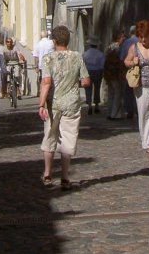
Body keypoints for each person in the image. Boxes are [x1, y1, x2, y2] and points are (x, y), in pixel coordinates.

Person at [38, 25, 90, 191]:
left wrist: (41, 104)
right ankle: (65, 177)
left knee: (50, 136)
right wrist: (76, 83)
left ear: (54, 41)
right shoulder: (76, 57)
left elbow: (46, 82)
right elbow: (86, 81)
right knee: (67, 139)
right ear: (68, 40)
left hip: (54, 103)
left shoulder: (47, 59)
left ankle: (47, 174)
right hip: (72, 103)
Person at [124, 20, 149, 153]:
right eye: (140, 37)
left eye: (145, 36)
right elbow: (126, 61)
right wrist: (132, 62)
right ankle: (146, 141)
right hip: (141, 85)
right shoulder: (134, 47)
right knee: (144, 113)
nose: (143, 39)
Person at [103, 30, 125, 120]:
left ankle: (110, 112)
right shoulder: (118, 48)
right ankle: (115, 114)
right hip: (115, 73)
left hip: (108, 72)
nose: (124, 39)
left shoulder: (109, 47)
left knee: (111, 93)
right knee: (117, 93)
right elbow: (119, 61)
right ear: (119, 38)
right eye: (122, 37)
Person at [82, 36, 105, 114]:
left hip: (88, 72)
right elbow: (102, 65)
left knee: (88, 89)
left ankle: (89, 106)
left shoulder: (85, 54)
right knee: (97, 89)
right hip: (97, 71)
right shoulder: (100, 54)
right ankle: (96, 106)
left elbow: (83, 64)